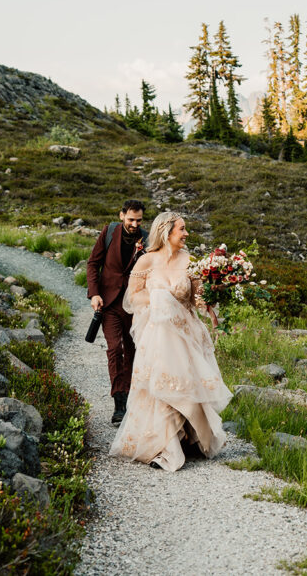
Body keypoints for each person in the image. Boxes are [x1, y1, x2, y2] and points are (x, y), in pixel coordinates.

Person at [109, 211, 232, 471]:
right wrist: (160, 299)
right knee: (161, 384)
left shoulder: (190, 261)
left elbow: (197, 298)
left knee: (184, 382)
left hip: (185, 333)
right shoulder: (146, 261)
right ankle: (165, 446)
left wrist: (213, 292)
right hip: (157, 332)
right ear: (166, 232)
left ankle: (187, 437)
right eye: (182, 229)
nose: (186, 234)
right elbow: (132, 298)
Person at [86, 199, 148, 424]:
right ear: (122, 215)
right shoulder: (109, 231)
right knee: (115, 349)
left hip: (136, 304)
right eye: (131, 219)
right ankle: (119, 402)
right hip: (109, 303)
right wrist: (94, 293)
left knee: (132, 350)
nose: (134, 224)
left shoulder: (148, 239)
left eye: (138, 220)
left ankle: (131, 396)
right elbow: (93, 263)